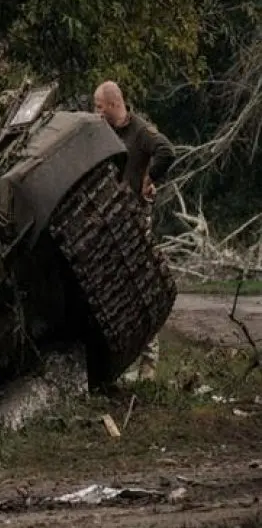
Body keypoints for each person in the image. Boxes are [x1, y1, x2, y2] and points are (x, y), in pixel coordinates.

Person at [94, 80, 177, 381]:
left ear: (115, 103)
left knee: (141, 285)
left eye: (99, 106)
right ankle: (128, 356)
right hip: (113, 220)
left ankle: (149, 362)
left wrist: (149, 178)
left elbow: (167, 151)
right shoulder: (105, 132)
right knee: (116, 290)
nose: (97, 112)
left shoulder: (140, 132)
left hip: (136, 218)